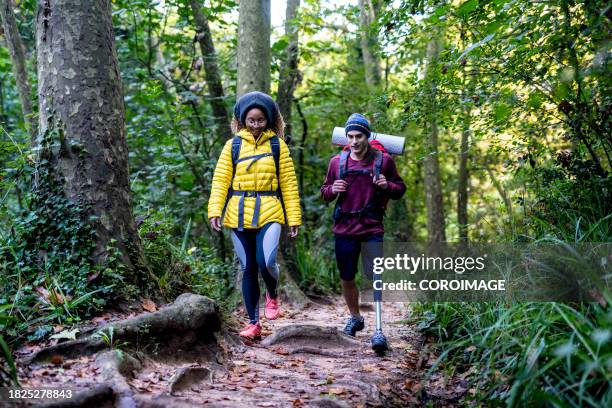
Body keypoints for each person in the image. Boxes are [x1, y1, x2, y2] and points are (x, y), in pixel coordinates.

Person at [208, 91, 301, 340]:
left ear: (268, 120)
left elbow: (289, 184)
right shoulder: (233, 146)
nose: (256, 125)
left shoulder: (277, 146)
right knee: (248, 266)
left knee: (266, 261)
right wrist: (215, 210)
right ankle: (253, 322)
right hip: (238, 212)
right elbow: (220, 180)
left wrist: (294, 218)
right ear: (242, 121)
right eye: (251, 120)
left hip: (270, 209)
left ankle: (272, 294)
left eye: (260, 120)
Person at [320, 113, 406, 349]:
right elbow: (325, 191)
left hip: (372, 227)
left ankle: (379, 331)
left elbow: (400, 189)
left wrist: (387, 185)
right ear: (346, 137)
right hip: (344, 228)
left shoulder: (383, 161)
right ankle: (356, 318)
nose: (355, 141)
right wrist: (332, 189)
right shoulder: (337, 162)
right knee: (347, 277)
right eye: (351, 136)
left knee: (375, 277)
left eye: (359, 136)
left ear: (367, 137)